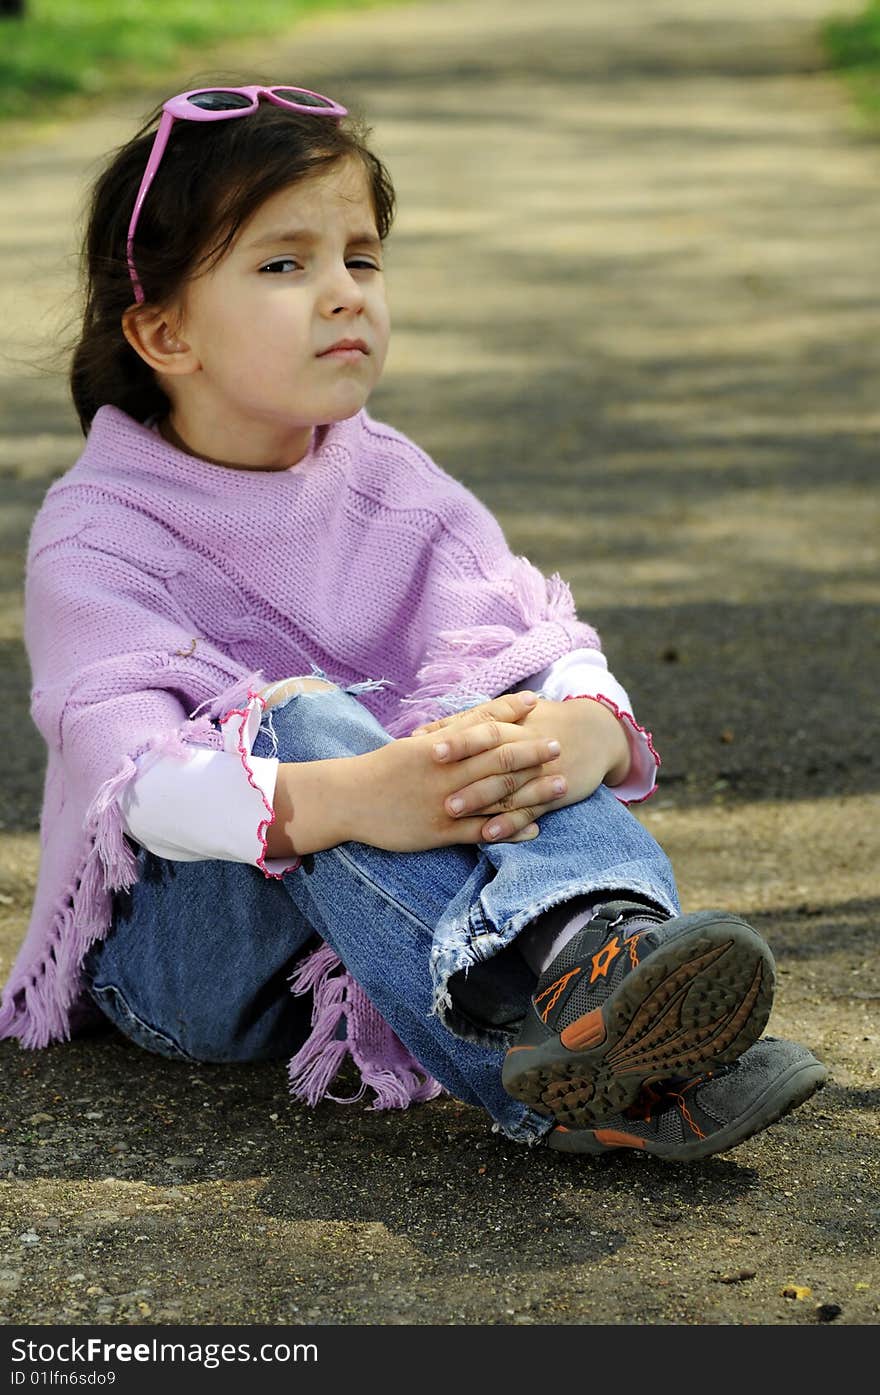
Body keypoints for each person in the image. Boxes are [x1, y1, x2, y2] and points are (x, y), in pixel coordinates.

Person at [0, 82, 826, 1161]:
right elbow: (138, 787)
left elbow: (536, 638)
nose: (344, 293)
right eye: (284, 264)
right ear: (163, 330)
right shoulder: (96, 534)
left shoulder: (393, 485)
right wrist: (355, 793)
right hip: (191, 965)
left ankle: (604, 964)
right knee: (296, 714)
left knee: (511, 708)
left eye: (362, 257)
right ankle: (558, 1080)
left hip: (390, 937)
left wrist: (579, 724)